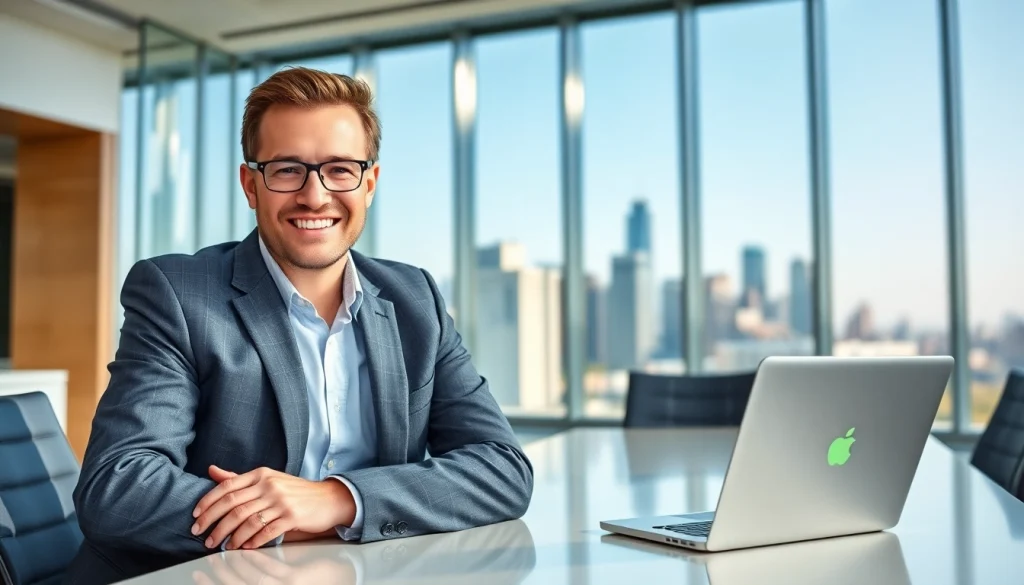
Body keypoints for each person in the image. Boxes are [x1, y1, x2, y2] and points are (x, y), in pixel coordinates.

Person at [66, 67, 534, 585]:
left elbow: (502, 469)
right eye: (287, 169)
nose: (314, 196)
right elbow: (118, 488)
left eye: (339, 169)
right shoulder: (179, 293)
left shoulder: (414, 299)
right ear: (251, 185)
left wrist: (336, 500)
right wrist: (286, 523)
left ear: (370, 183)